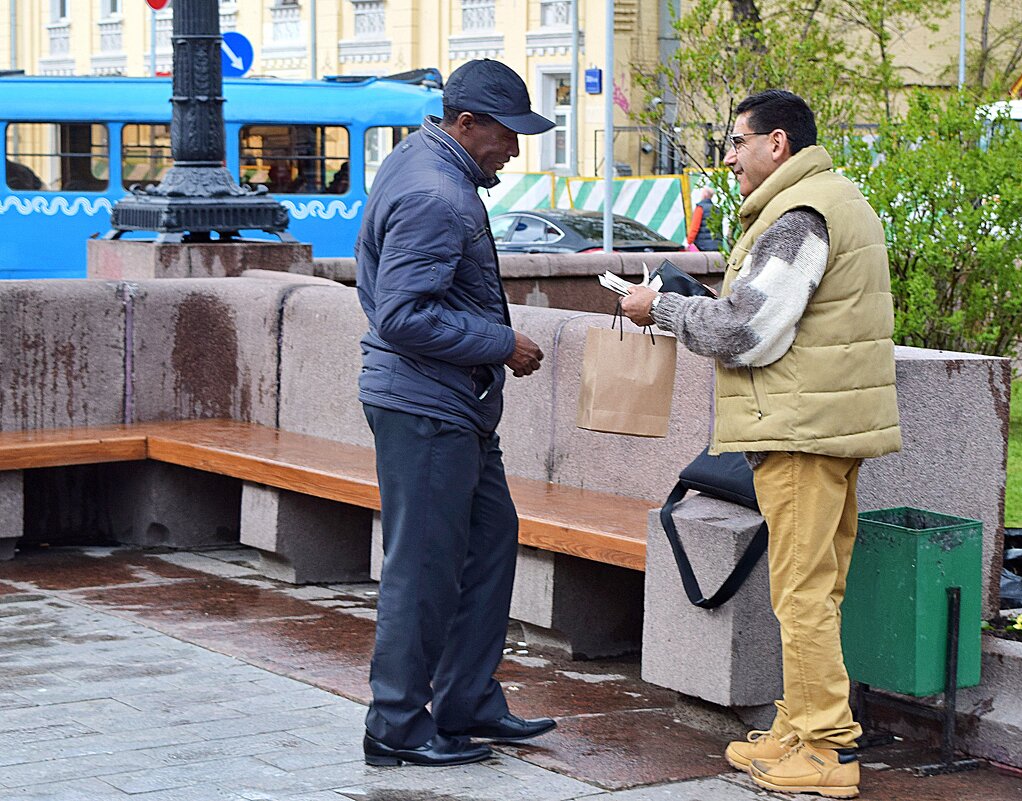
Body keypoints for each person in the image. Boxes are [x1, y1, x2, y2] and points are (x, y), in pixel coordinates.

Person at [621, 89, 901, 798]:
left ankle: (828, 750)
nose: (731, 159)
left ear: (777, 143)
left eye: (736, 143)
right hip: (822, 426)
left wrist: (666, 307)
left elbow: (744, 332)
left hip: (800, 431)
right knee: (817, 587)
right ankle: (798, 728)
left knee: (801, 592)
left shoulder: (799, 215)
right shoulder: (830, 198)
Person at [355, 58, 557, 768]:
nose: (515, 148)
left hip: (448, 402)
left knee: (492, 534)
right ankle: (397, 724)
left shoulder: (419, 159)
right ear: (465, 124)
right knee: (424, 566)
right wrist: (502, 341)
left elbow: (386, 293)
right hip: (427, 405)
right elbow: (406, 315)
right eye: (507, 134)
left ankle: (467, 698)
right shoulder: (439, 193)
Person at [686, 187, 720, 251]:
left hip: (703, 246)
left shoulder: (700, 208)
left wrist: (688, 242)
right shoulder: (717, 210)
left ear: (704, 195)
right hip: (716, 246)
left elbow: (695, 228)